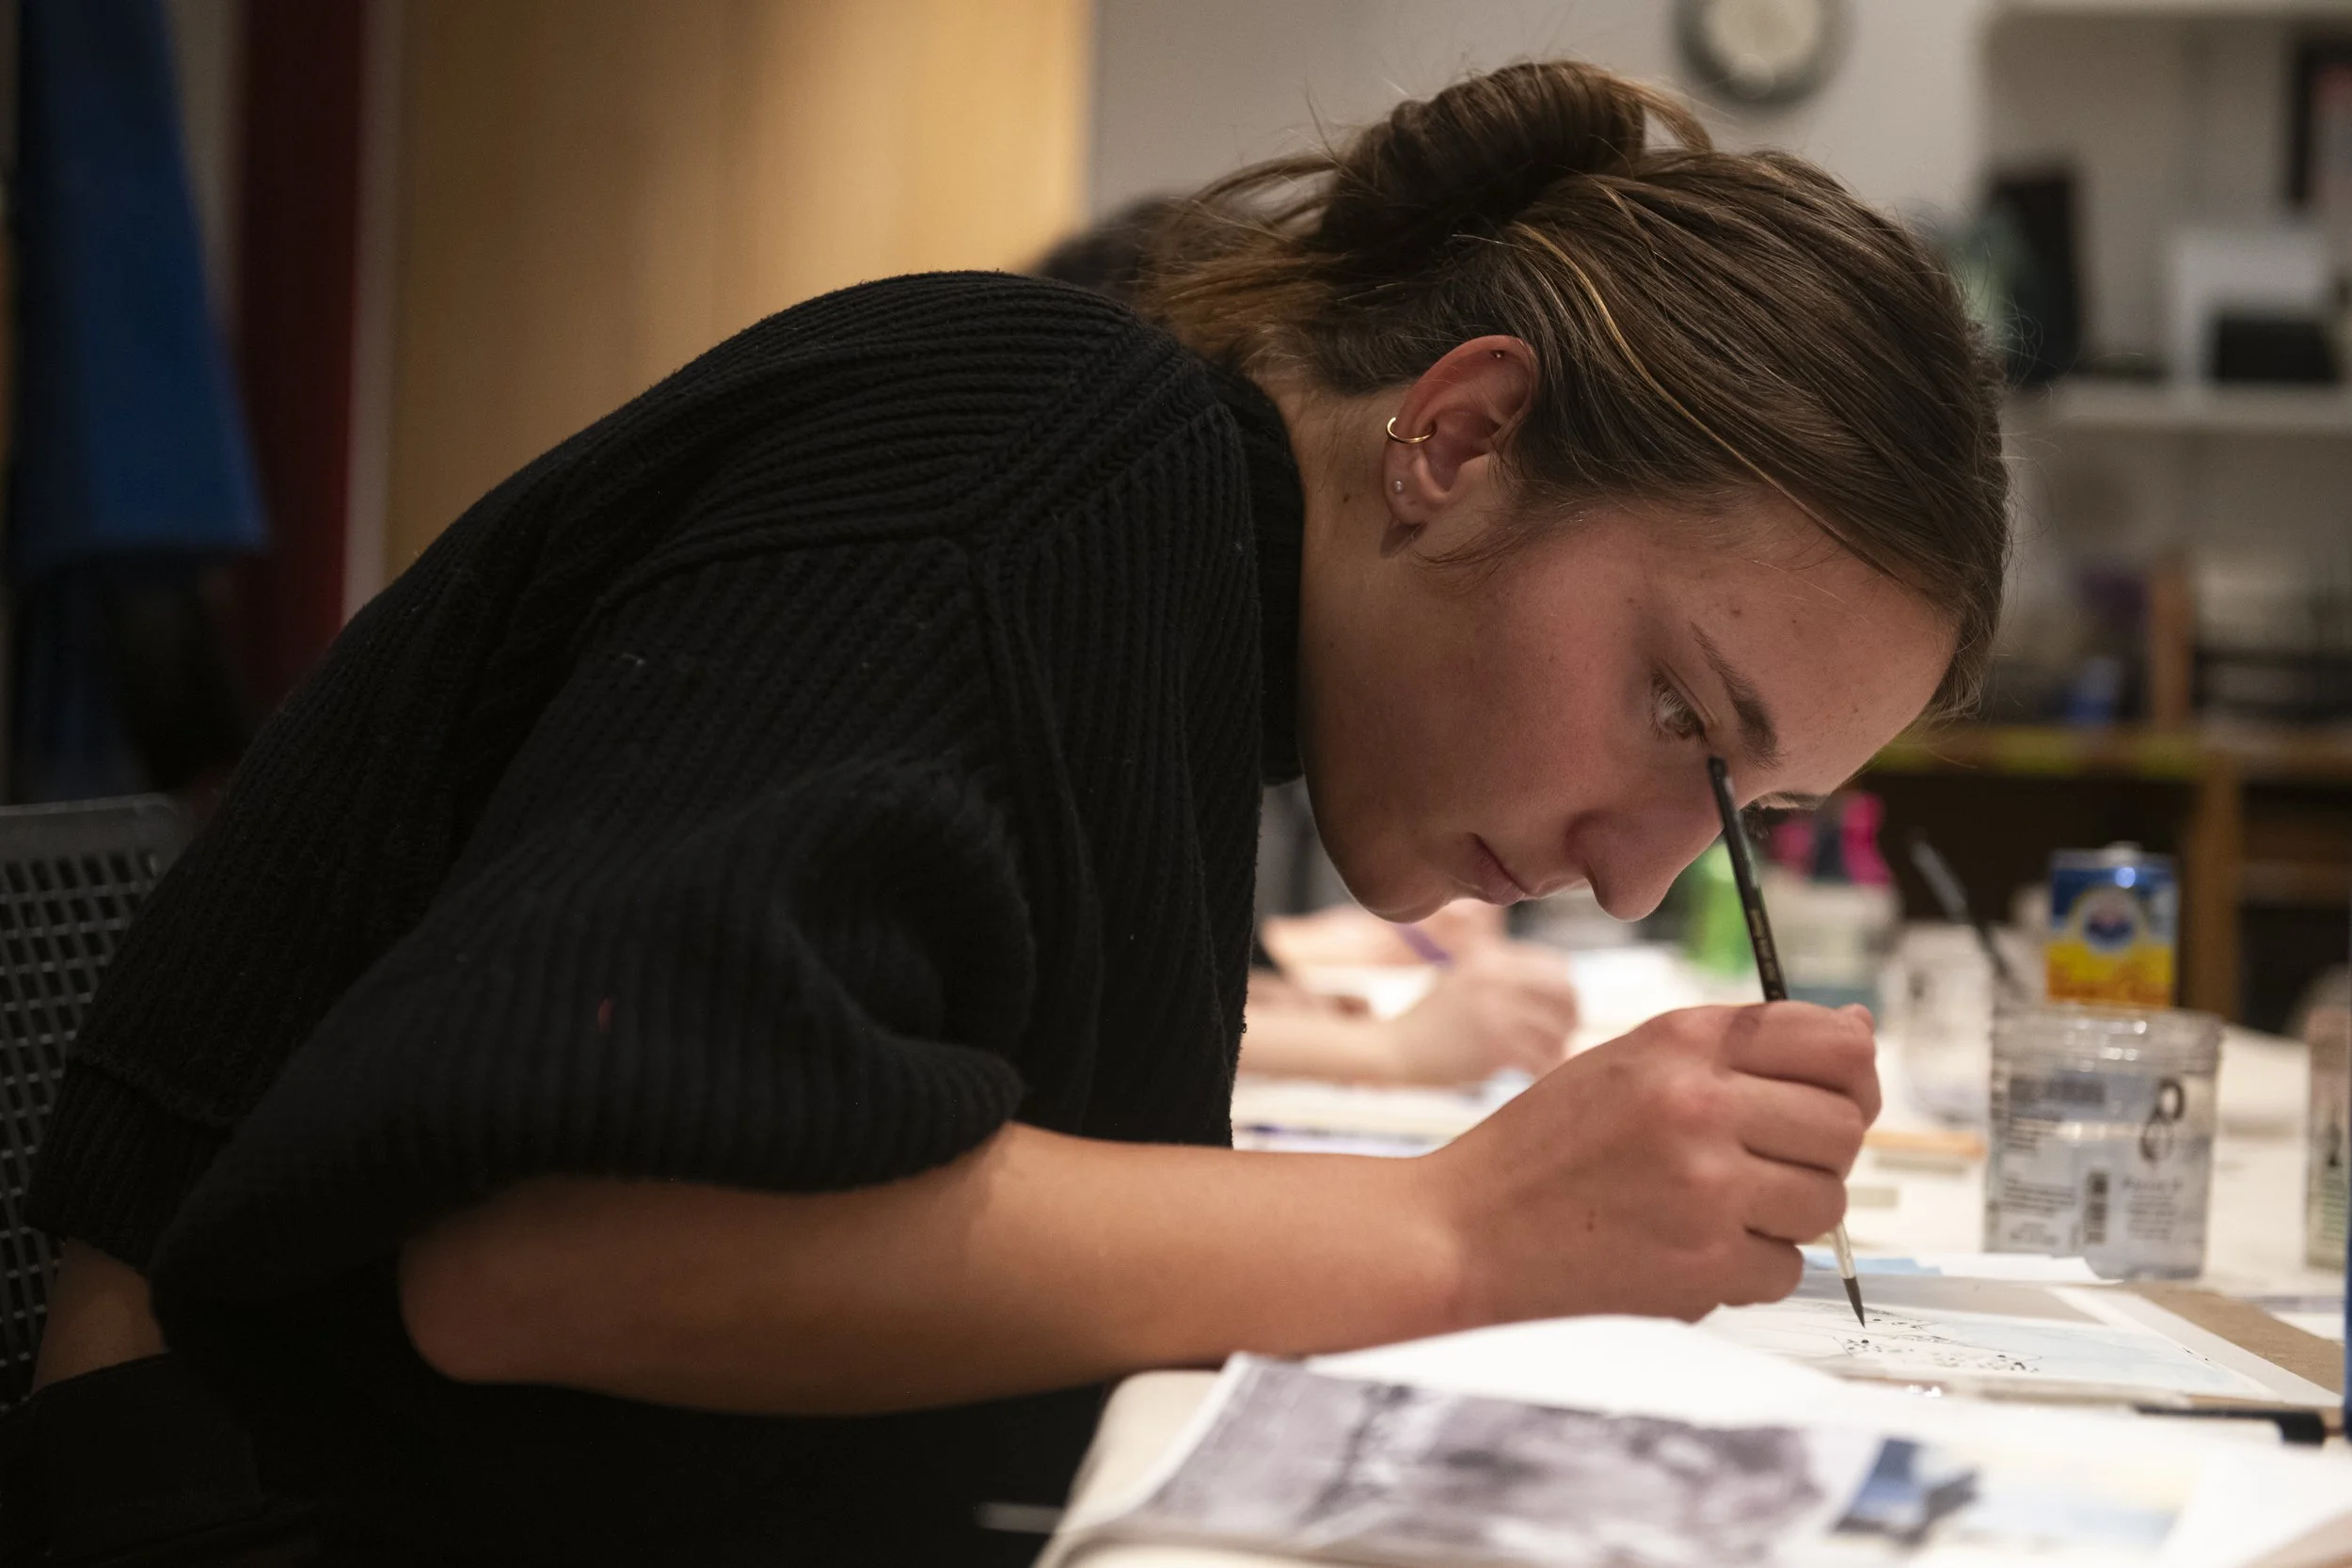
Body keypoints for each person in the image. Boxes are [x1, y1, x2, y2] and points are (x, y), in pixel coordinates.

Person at [19, 58, 2006, 1566]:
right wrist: (1452, 1220)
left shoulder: (1182, 617)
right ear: (1459, 438)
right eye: (1675, 708)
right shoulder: (1048, 449)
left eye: (1742, 805)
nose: (1635, 863)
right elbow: (554, 1242)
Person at [1036, 210, 1587, 1089]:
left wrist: (1298, 966)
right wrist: (1389, 1054)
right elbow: (1027, 1042)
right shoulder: (1067, 630)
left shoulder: (1211, 697)